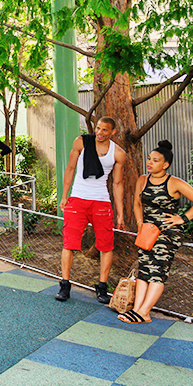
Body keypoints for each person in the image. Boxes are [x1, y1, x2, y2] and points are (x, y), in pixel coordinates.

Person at [119, 140, 193, 324]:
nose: (150, 163)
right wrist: (140, 223)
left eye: (155, 160)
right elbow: (137, 203)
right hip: (147, 231)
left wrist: (182, 218)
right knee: (144, 270)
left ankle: (144, 312)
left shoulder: (174, 182)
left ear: (165, 164)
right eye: (149, 159)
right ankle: (136, 310)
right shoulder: (143, 179)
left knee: (157, 272)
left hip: (167, 233)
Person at [55, 117, 128, 303]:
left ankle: (102, 287)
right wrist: (64, 196)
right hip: (78, 198)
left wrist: (120, 213)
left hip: (101, 201)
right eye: (98, 128)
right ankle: (65, 284)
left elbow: (118, 184)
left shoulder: (118, 153)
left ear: (113, 132)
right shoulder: (81, 142)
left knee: (106, 245)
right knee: (69, 243)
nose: (100, 133)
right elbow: (70, 168)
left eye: (105, 130)